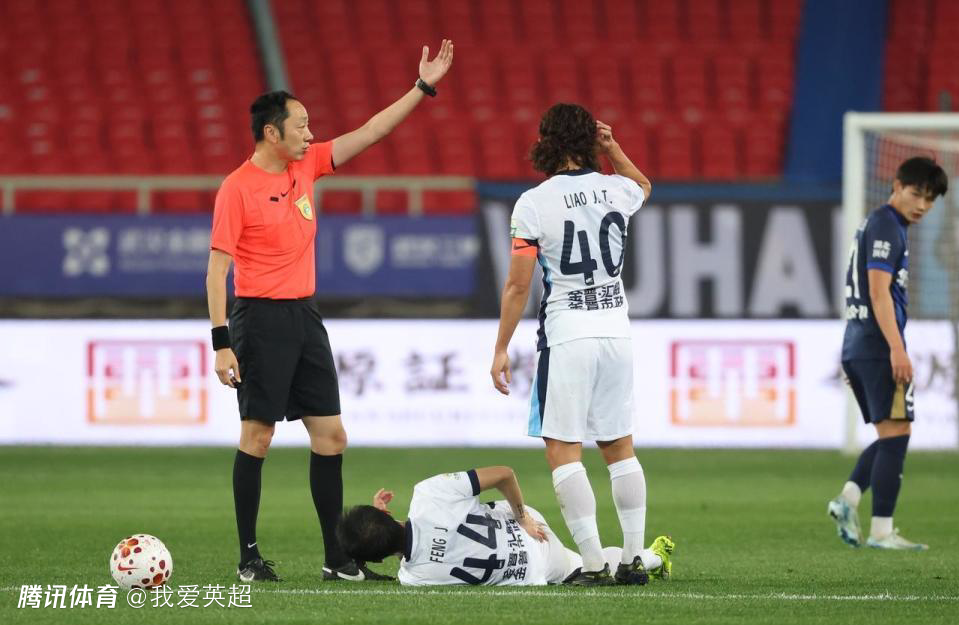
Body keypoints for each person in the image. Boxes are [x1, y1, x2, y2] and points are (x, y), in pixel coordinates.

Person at [205, 40, 454, 582]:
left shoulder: (307, 166)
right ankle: (249, 558)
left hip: (304, 318)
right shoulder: (237, 189)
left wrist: (421, 88)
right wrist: (221, 343)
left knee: (332, 436)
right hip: (258, 321)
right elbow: (216, 271)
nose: (310, 133)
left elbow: (372, 131)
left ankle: (336, 560)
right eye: (301, 125)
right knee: (258, 438)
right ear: (272, 133)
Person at [488, 103, 671, 585]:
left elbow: (518, 286)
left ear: (546, 143)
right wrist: (614, 149)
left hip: (568, 335)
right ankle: (632, 558)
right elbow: (644, 186)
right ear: (591, 141)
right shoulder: (616, 188)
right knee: (619, 445)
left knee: (563, 449)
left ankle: (592, 564)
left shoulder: (533, 203)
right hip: (616, 333)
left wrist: (501, 346)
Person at [828, 156, 948, 551]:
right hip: (878, 344)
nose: (922, 205)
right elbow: (878, 292)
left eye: (930, 199)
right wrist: (897, 348)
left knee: (892, 433)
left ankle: (848, 499)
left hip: (859, 343)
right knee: (897, 433)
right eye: (916, 194)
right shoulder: (886, 225)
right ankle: (881, 530)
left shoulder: (880, 224)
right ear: (896, 186)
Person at [337, 467, 674, 586]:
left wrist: (381, 529)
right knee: (586, 561)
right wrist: (523, 517)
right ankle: (649, 556)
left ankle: (652, 557)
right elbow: (504, 474)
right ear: (386, 516)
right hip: (527, 528)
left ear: (378, 559)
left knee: (581, 567)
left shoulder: (413, 579)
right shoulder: (428, 494)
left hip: (531, 567)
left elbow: (414, 551)